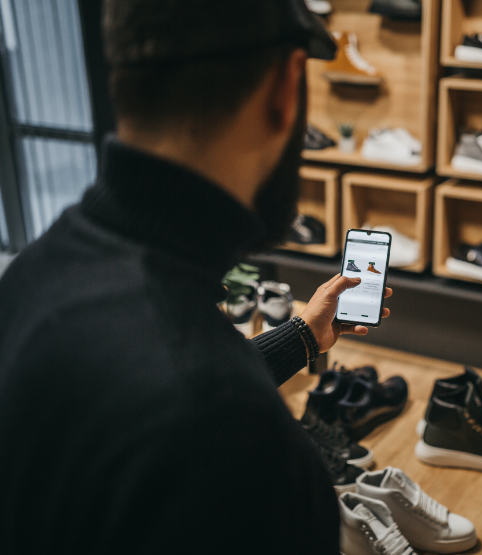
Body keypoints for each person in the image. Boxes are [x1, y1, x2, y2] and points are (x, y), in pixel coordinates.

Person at [0, 0, 391, 552]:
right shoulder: (231, 434)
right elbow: (185, 393)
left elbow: (129, 387)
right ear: (288, 88)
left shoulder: (33, 274)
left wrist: (301, 335)